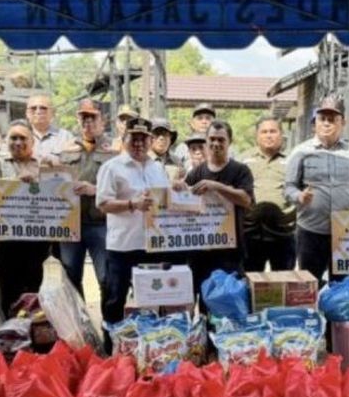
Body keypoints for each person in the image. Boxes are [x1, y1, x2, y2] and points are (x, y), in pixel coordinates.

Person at [95, 116, 172, 334]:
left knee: (153, 298)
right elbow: (103, 204)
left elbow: (165, 201)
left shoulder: (157, 168)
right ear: (124, 138)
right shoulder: (111, 168)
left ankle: (151, 343)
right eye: (133, 138)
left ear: (150, 141)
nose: (138, 143)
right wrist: (132, 204)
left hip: (152, 246)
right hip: (122, 245)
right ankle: (112, 344)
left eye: (143, 139)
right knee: (115, 299)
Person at [283, 97, 349, 286]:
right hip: (310, 231)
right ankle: (313, 316)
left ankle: (339, 317)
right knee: (309, 285)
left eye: (332, 119)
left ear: (342, 122)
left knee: (344, 287)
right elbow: (288, 187)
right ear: (315, 123)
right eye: (322, 119)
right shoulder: (300, 151)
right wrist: (299, 196)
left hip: (345, 232)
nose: (327, 123)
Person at [0, 123, 54, 314]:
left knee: (36, 284)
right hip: (7, 235)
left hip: (38, 235)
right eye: (13, 138)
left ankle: (36, 329)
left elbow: (58, 190)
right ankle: (9, 331)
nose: (18, 142)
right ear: (6, 141)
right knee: (9, 286)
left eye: (23, 138)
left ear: (32, 141)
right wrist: (18, 182)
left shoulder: (44, 163)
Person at [184, 120, 255, 289]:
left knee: (228, 301)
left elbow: (246, 200)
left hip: (230, 251)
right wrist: (178, 187)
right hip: (200, 249)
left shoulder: (240, 170)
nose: (216, 143)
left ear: (230, 142)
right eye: (212, 139)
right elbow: (182, 198)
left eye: (221, 140)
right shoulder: (196, 172)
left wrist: (217, 186)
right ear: (207, 141)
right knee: (203, 300)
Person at [58, 99, 117, 297]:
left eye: (93, 117)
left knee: (106, 278)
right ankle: (80, 325)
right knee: (71, 278)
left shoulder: (115, 150)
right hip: (71, 225)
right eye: (84, 117)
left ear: (103, 120)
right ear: (78, 119)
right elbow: (55, 183)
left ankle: (108, 325)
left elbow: (123, 187)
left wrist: (96, 190)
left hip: (101, 223)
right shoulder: (66, 150)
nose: (88, 122)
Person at [241, 116, 296, 271]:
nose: (268, 135)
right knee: (250, 281)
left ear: (281, 134)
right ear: (257, 136)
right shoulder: (243, 160)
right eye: (264, 132)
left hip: (283, 233)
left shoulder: (293, 160)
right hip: (251, 233)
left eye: (273, 131)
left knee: (284, 282)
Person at [25, 93, 73, 161]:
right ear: (27, 113)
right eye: (33, 108)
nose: (38, 111)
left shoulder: (66, 137)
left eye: (43, 108)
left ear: (53, 113)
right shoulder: (17, 137)